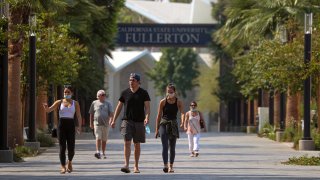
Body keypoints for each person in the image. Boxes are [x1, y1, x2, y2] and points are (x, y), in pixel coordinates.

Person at [110, 73, 150, 173]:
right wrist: (114, 119)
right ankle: (126, 165)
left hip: (139, 122)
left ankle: (136, 166)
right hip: (127, 121)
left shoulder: (144, 93)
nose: (131, 82)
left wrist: (147, 117)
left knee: (137, 144)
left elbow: (147, 107)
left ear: (138, 82)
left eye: (133, 80)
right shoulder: (125, 93)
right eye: (130, 80)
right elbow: (119, 107)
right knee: (127, 142)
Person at [43, 85, 82, 174]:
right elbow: (49, 110)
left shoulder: (75, 103)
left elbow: (79, 115)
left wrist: (79, 126)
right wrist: (46, 108)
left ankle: (70, 162)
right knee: (62, 147)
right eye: (65, 92)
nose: (66, 94)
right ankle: (63, 166)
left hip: (71, 125)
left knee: (71, 148)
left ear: (72, 93)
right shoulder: (59, 102)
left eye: (68, 92)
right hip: (61, 126)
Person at [155, 83, 184, 173]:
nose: (169, 93)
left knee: (172, 147)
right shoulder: (163, 102)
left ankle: (171, 166)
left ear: (174, 92)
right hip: (164, 123)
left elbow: (182, 113)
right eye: (168, 91)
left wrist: (182, 122)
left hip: (173, 124)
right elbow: (159, 115)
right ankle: (165, 165)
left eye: (171, 91)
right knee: (165, 145)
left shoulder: (178, 102)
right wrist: (157, 129)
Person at [89, 90, 114, 159]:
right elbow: (91, 113)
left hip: (105, 124)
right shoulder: (94, 103)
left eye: (104, 95)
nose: (104, 96)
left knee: (104, 139)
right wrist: (91, 123)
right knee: (98, 137)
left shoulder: (108, 104)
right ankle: (98, 151)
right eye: (102, 95)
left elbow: (111, 113)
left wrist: (111, 121)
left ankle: (103, 152)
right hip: (96, 124)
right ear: (98, 96)